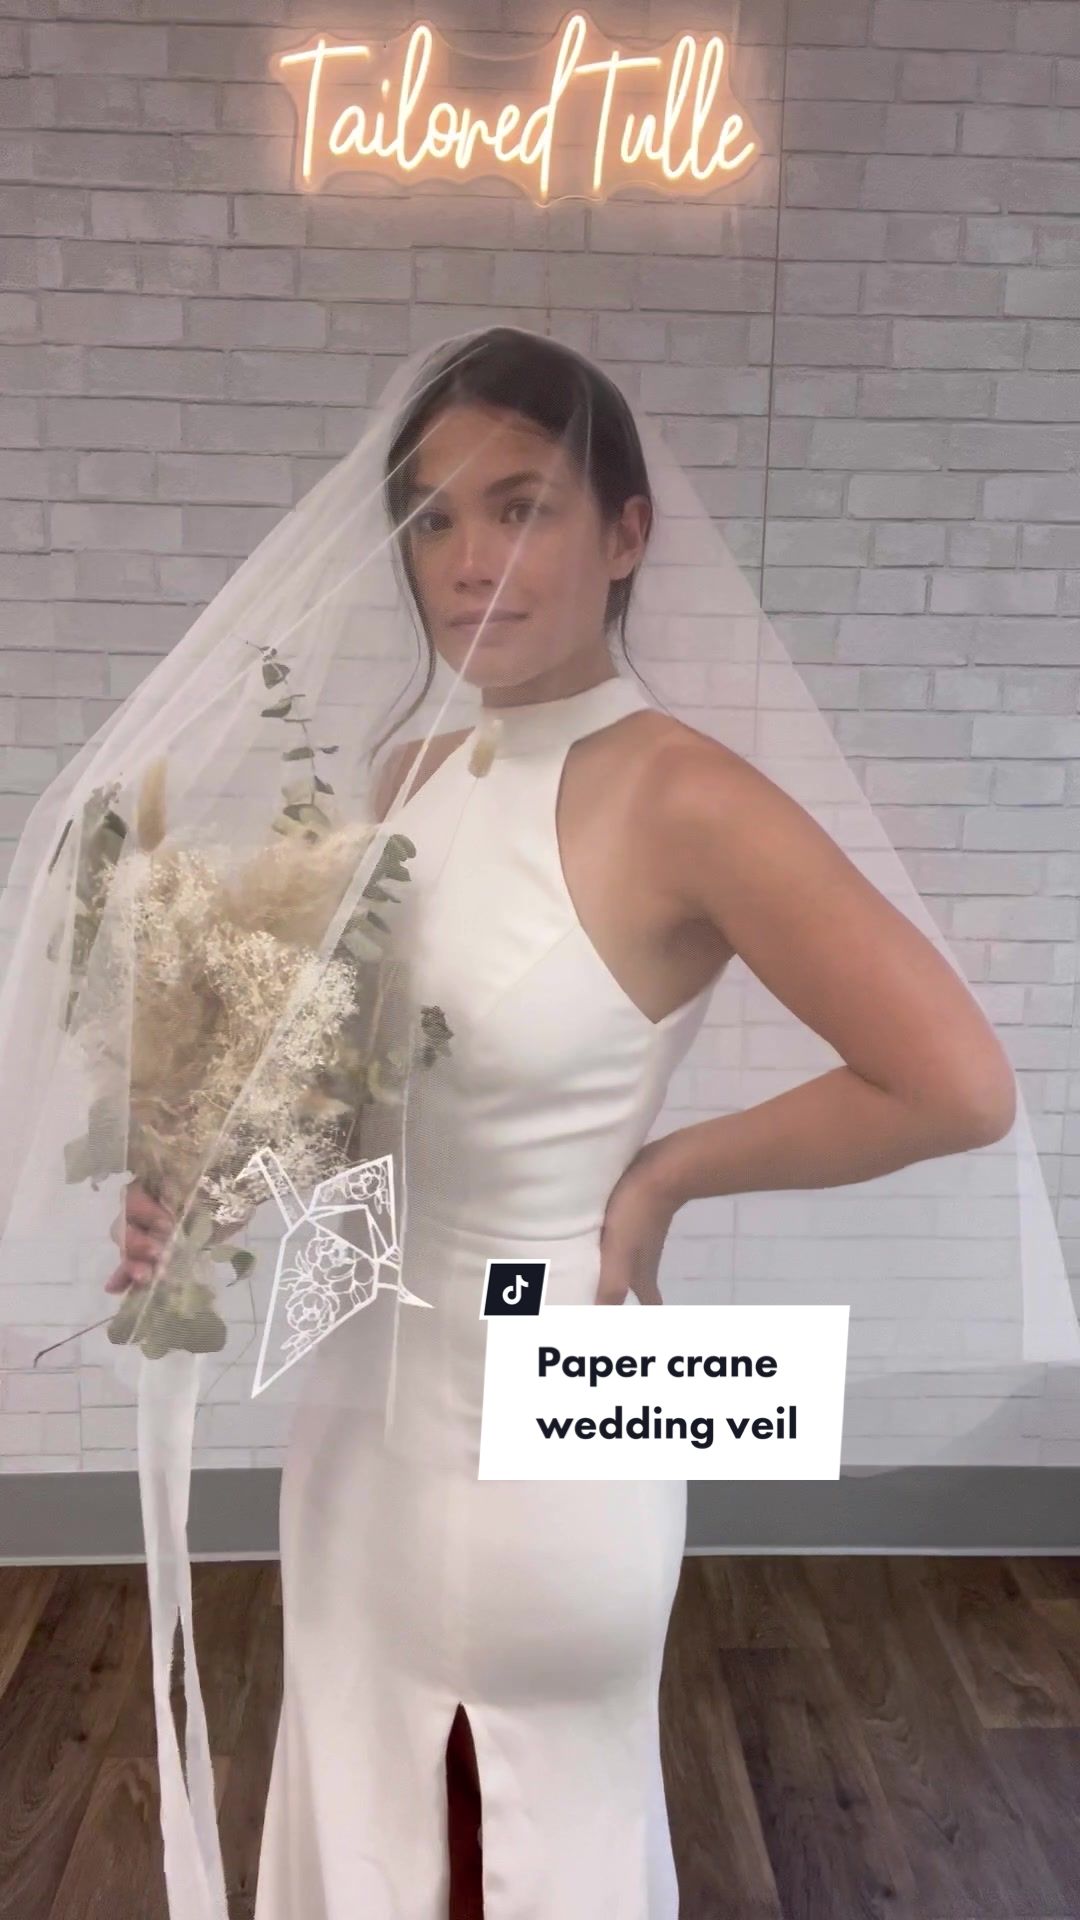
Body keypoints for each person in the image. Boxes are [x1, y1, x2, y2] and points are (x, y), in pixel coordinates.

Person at [109, 328, 1015, 1918]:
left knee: (503, 1832)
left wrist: (667, 1175)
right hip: (362, 1413)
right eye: (433, 520)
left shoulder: (686, 795)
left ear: (627, 534)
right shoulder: (408, 773)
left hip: (550, 1423)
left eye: (521, 508)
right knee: (376, 1806)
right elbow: (369, 1109)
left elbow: (957, 1082)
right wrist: (221, 1182)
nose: (470, 561)